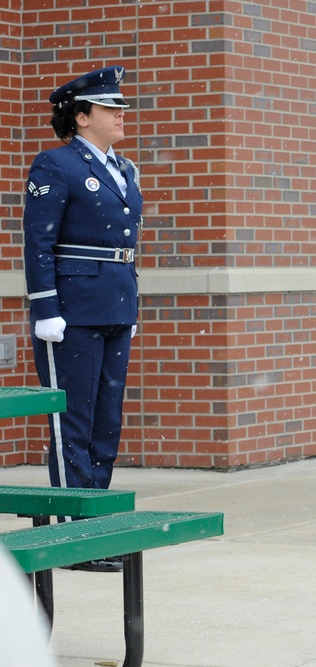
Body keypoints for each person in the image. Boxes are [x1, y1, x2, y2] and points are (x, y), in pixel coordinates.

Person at [22, 66, 142, 573]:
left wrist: (130, 302)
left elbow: (124, 245)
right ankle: (75, 534)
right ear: (81, 116)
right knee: (71, 421)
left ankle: (94, 527)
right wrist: (45, 308)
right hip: (71, 312)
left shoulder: (124, 168)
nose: (121, 115)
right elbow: (38, 241)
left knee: (105, 422)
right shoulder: (55, 165)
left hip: (114, 305)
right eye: (110, 108)